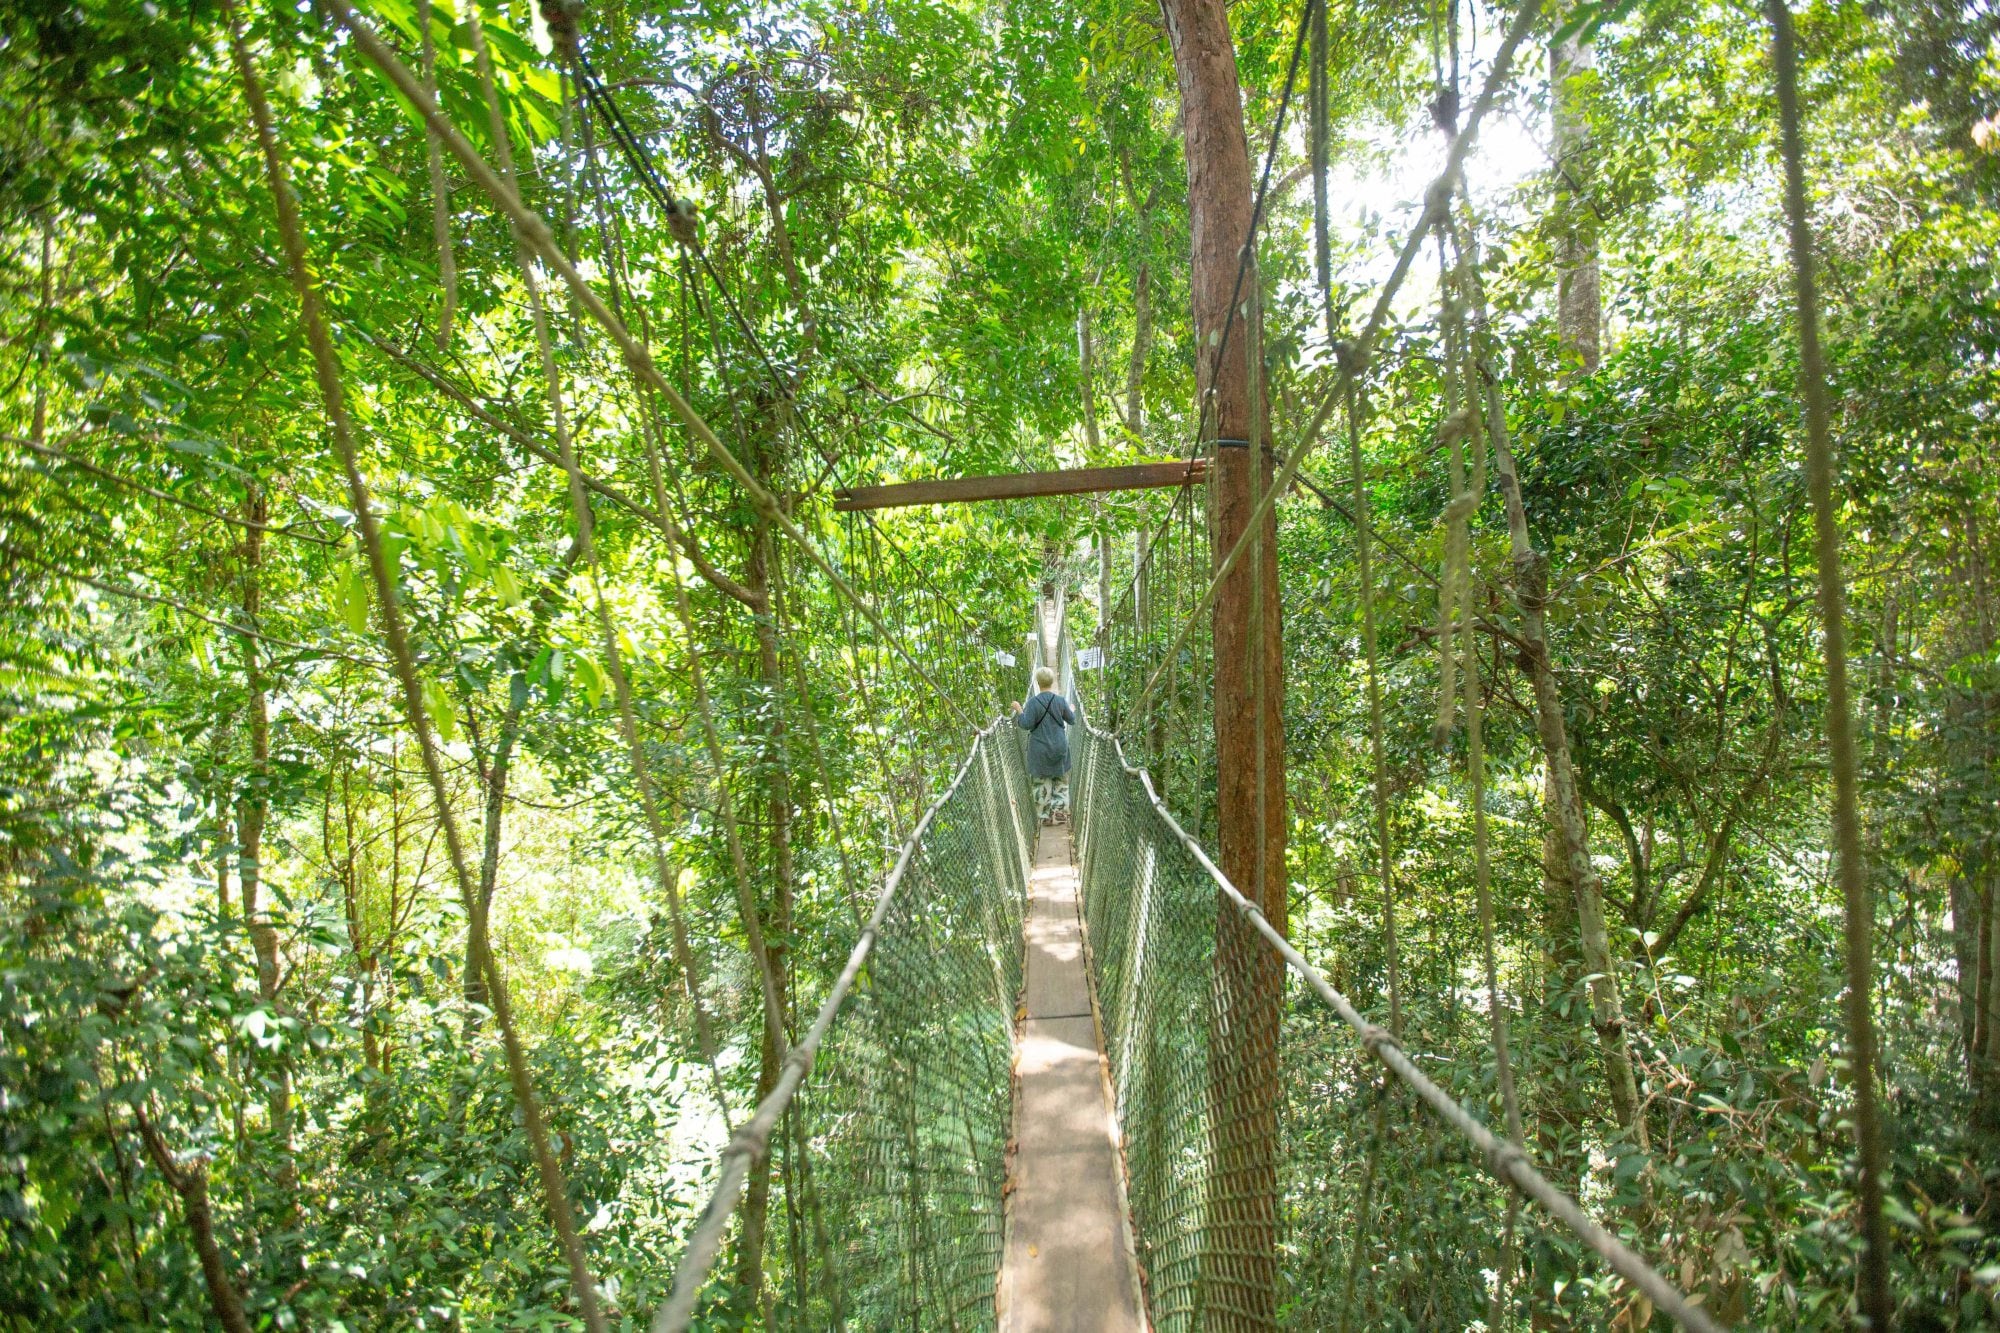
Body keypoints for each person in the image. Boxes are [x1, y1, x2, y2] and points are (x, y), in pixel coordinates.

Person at [1011, 665, 1075, 825]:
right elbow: (1072, 720)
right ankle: (1059, 815)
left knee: (1041, 782)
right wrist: (1071, 709)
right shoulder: (1060, 701)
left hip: (1039, 749)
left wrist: (1019, 710)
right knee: (1060, 780)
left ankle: (1045, 817)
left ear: (1038, 682)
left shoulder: (1033, 703)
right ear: (1052, 682)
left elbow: (1026, 724)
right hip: (1059, 747)